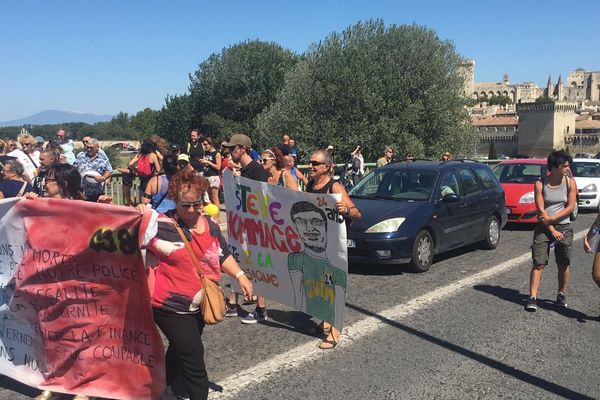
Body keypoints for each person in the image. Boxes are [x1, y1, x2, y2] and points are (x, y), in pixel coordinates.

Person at [139, 169, 253, 400]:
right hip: (167, 304)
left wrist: (240, 275)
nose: (191, 210)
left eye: (196, 204)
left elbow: (221, 255)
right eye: (185, 205)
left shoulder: (210, 225)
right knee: (193, 353)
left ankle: (163, 388)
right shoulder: (159, 225)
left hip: (199, 302)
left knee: (180, 349)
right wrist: (139, 213)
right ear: (174, 199)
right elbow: (120, 232)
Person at [303, 149, 361, 349]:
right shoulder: (310, 184)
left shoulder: (334, 186)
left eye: (314, 164)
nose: (310, 166)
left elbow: (357, 213)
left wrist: (346, 210)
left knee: (333, 286)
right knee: (318, 284)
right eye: (310, 163)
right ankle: (325, 320)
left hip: (333, 246)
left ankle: (335, 332)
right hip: (315, 245)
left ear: (326, 167)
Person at [221, 133, 268, 320]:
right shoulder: (241, 171)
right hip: (241, 226)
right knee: (237, 262)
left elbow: (263, 200)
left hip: (255, 228)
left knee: (257, 268)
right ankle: (233, 304)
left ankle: (261, 309)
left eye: (233, 149)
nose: (231, 152)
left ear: (243, 149)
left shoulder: (257, 170)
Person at [525, 150, 577, 312]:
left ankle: (561, 294)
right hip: (544, 228)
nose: (567, 169)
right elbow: (541, 211)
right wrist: (552, 229)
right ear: (553, 167)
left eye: (568, 166)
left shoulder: (570, 183)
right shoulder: (540, 184)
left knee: (563, 263)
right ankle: (532, 297)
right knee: (538, 263)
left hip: (564, 227)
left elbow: (569, 207)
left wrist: (553, 221)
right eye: (564, 166)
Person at [74, 138, 112, 202]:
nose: (89, 149)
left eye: (91, 148)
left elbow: (109, 171)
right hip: (82, 193)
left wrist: (103, 178)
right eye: (87, 147)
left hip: (97, 193)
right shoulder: (80, 156)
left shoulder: (102, 158)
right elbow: (74, 168)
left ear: (97, 147)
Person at [198, 137, 221, 208]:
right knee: (209, 198)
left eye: (205, 144)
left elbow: (218, 167)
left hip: (213, 176)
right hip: (206, 176)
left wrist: (208, 162)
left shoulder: (217, 153)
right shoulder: (206, 153)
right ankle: (213, 214)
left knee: (214, 198)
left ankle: (217, 216)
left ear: (210, 144)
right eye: (203, 145)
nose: (204, 146)